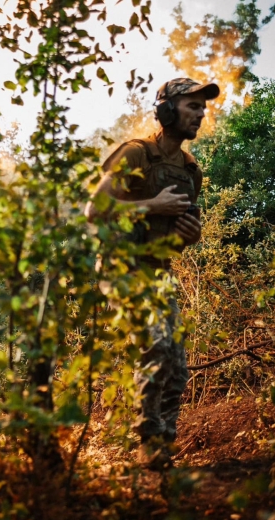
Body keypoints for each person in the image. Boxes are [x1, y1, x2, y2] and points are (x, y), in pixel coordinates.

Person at [85, 78, 220, 469]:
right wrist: (152, 206)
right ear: (165, 110)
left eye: (202, 108)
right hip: (121, 266)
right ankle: (146, 437)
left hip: (158, 270)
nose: (200, 113)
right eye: (192, 106)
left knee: (178, 366)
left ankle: (162, 449)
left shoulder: (191, 171)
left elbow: (175, 234)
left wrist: (189, 236)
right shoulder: (136, 154)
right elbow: (95, 211)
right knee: (157, 345)